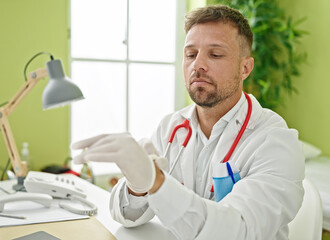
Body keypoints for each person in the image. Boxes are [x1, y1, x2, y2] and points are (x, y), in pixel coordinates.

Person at [72, 5, 304, 240]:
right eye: (191, 55)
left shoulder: (275, 142)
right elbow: (126, 217)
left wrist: (157, 182)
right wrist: (136, 186)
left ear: (245, 68)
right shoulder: (171, 128)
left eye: (215, 54)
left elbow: (237, 231)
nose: (198, 65)